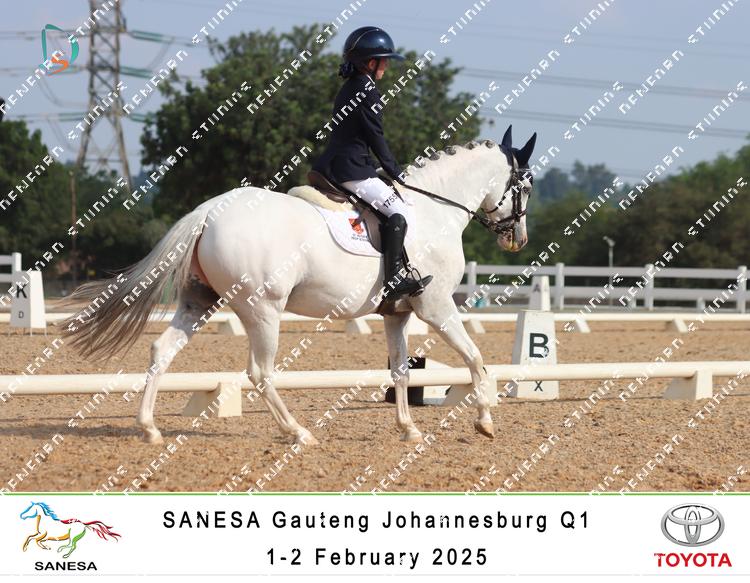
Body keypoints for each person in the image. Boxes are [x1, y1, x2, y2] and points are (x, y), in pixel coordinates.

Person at [311, 26, 432, 301]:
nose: (387, 66)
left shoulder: (350, 86)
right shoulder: (367, 90)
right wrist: (395, 171)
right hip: (351, 169)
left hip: (339, 163)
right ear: (369, 62)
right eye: (383, 60)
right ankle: (394, 281)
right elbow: (375, 136)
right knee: (399, 211)